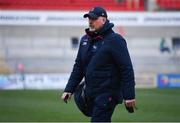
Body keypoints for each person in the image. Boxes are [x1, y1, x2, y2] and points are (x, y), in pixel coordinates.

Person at [61, 6, 136, 122]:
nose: (90, 21)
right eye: (89, 18)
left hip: (108, 94)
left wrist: (129, 95)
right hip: (90, 93)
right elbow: (79, 66)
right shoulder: (84, 40)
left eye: (94, 18)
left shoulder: (115, 40)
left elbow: (126, 69)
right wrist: (69, 89)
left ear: (104, 20)